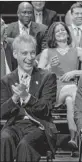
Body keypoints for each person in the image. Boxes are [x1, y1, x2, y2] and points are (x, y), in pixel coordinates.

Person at [38, 22, 82, 149]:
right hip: (53, 90)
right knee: (74, 91)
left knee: (71, 99)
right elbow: (38, 75)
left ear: (67, 33)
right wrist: (50, 67)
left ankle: (73, 139)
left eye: (63, 30)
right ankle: (77, 136)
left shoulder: (77, 50)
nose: (60, 32)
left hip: (70, 88)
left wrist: (75, 72)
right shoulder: (47, 52)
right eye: (57, 31)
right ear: (52, 35)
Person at [0, 34, 58, 162]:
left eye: (32, 53)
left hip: (39, 126)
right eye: (24, 53)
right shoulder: (6, 80)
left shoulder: (47, 77)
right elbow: (2, 112)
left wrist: (27, 97)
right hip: (15, 125)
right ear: (15, 54)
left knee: (25, 144)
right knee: (4, 138)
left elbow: (46, 109)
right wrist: (15, 98)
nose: (29, 58)